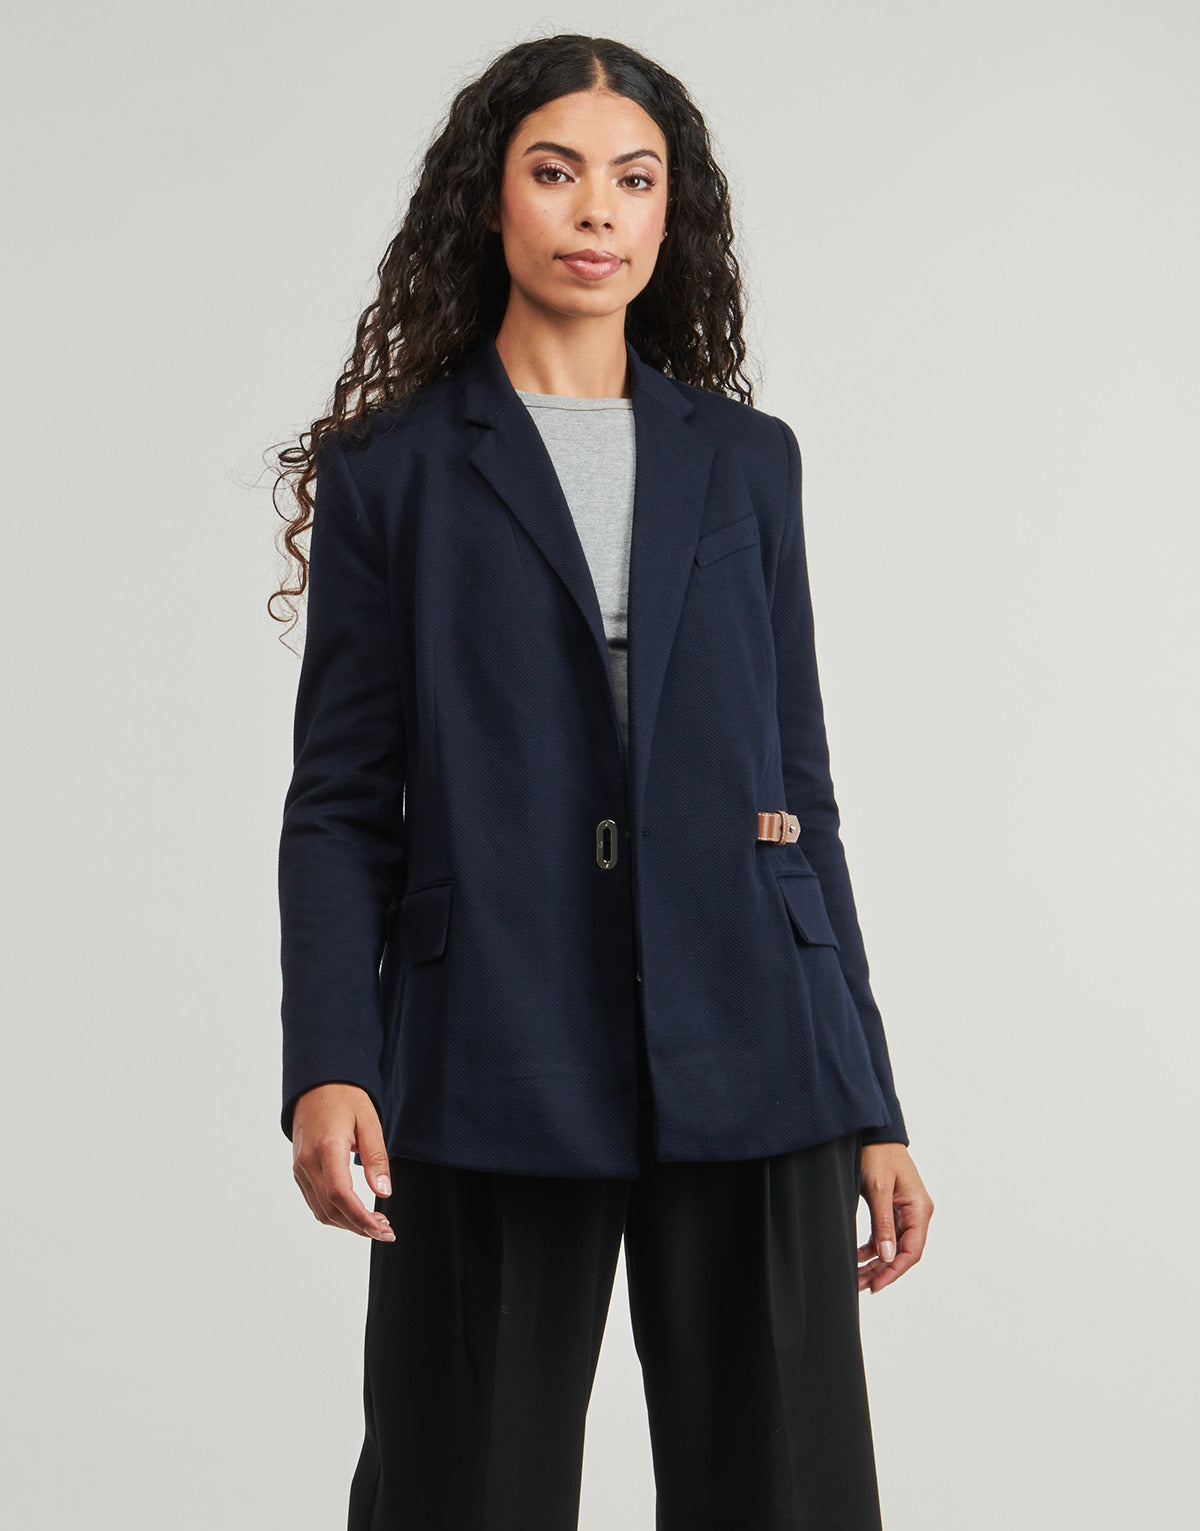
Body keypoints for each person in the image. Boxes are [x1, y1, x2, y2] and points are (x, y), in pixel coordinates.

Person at [268, 32, 934, 1531]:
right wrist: (329, 1058)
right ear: (489, 200)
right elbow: (341, 803)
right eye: (556, 172)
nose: (596, 211)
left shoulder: (748, 463)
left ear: (669, 212)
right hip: (490, 1046)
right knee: (462, 1491)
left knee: (787, 1495)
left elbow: (800, 793)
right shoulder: (396, 470)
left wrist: (872, 1100)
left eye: (635, 180)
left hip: (756, 1047)